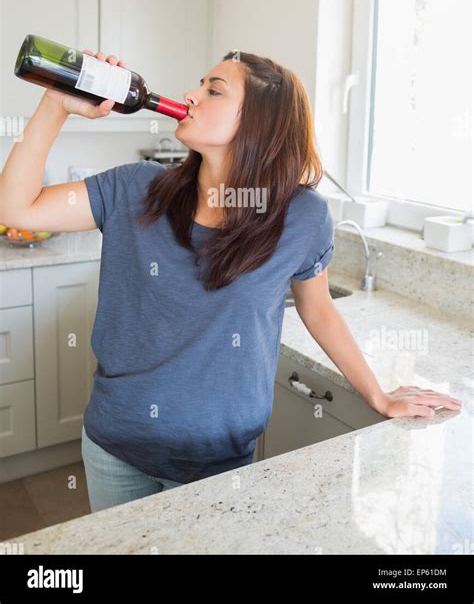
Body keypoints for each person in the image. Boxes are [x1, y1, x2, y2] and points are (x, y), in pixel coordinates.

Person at [0, 48, 462, 513]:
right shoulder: (136, 188)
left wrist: (378, 395)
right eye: (199, 84)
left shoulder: (302, 216)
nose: (190, 95)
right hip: (116, 448)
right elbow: (16, 209)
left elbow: (317, 308)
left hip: (217, 460)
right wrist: (55, 104)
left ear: (260, 122)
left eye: (213, 90)